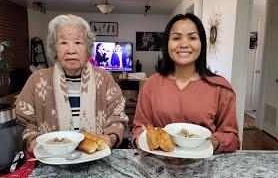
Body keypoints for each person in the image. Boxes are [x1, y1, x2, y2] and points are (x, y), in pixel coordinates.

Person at [15, 14, 128, 155]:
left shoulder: (104, 78)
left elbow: (117, 116)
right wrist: (34, 144)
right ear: (54, 48)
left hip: (96, 158)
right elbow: (21, 122)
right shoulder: (37, 79)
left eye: (78, 42)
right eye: (63, 43)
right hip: (50, 161)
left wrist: (110, 138)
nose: (71, 50)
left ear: (88, 48)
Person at [131, 13, 240, 154]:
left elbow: (232, 138)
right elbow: (139, 128)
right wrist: (142, 139)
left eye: (192, 38)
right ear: (167, 44)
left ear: (201, 43)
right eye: (176, 38)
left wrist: (209, 144)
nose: (184, 44)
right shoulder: (151, 84)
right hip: (158, 167)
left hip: (204, 167)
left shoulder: (221, 88)